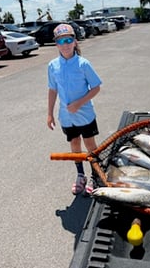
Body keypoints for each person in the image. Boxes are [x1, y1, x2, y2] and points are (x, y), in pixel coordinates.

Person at [47, 23, 102, 196]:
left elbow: (96, 87)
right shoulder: (53, 65)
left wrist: (79, 103)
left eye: (68, 40)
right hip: (66, 116)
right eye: (61, 41)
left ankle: (96, 175)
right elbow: (52, 89)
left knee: (90, 145)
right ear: (56, 44)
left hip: (84, 114)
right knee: (74, 143)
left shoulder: (83, 64)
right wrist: (49, 113)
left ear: (75, 42)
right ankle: (80, 175)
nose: (65, 44)